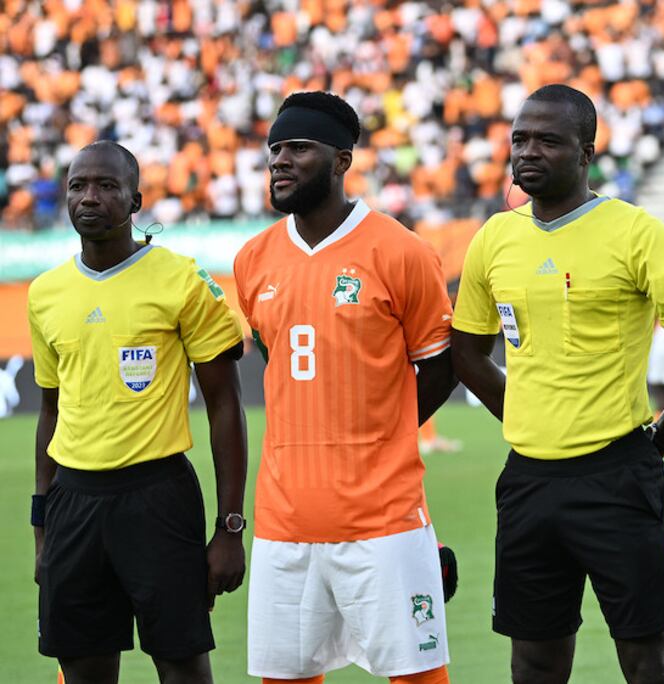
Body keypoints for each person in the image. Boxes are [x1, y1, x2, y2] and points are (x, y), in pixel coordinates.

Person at [451, 84, 664, 684]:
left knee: (647, 661)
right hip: (527, 478)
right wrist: (524, 412)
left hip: (617, 472)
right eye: (520, 139)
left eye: (548, 140)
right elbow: (466, 352)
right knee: (534, 663)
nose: (528, 152)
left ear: (586, 151)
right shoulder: (494, 237)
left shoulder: (637, 232)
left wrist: (662, 437)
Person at [234, 92, 456, 684]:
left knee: (416, 675)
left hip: (383, 517)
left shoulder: (402, 251)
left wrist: (381, 438)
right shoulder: (252, 260)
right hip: (283, 519)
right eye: (275, 149)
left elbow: (439, 365)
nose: (280, 160)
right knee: (284, 678)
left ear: (341, 160)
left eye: (298, 148)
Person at [28, 141, 247, 683]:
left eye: (106, 186)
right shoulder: (45, 293)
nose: (90, 197)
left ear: (135, 201)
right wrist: (42, 529)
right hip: (73, 502)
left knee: (182, 667)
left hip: (158, 497)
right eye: (78, 186)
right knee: (83, 670)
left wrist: (229, 527)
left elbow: (225, 403)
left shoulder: (182, 279)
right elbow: (50, 413)